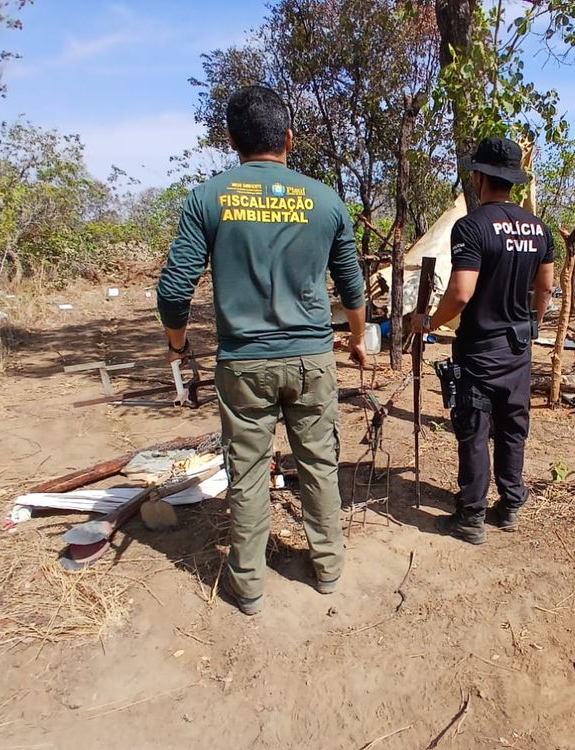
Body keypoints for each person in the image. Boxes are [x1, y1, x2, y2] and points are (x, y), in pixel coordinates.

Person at [157, 85, 367, 615]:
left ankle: (248, 584)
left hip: (243, 363)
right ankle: (328, 567)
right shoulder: (325, 199)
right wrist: (358, 340)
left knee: (248, 472)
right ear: (290, 139)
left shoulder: (208, 197)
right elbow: (352, 286)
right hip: (312, 359)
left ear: (231, 140)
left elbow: (173, 289)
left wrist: (178, 348)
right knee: (320, 462)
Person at [412, 136, 555, 544]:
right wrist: (532, 325)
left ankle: (470, 516)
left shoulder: (471, 227)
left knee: (474, 430)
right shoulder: (539, 228)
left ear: (479, 177)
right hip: (518, 349)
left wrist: (429, 321)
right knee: (513, 426)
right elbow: (545, 288)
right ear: (513, 180)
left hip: (478, 352)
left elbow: (460, 292)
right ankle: (510, 504)